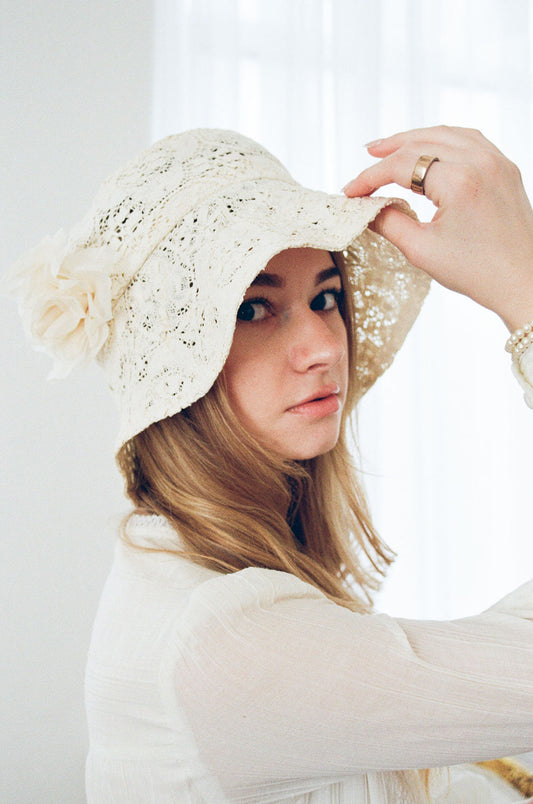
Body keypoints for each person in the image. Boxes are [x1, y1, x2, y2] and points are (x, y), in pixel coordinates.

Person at [6, 126, 533, 803]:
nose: (321, 345)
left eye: (325, 297)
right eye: (253, 308)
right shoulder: (220, 635)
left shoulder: (194, 569)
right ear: (176, 360)